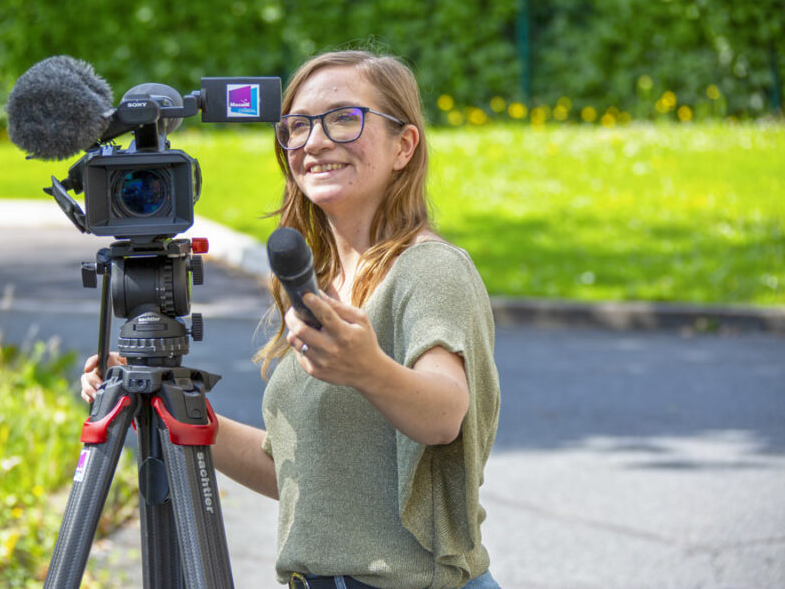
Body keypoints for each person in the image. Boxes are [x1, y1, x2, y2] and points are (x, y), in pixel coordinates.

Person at [81, 50, 501, 589]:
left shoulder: (428, 268)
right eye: (297, 126)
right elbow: (304, 477)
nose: (315, 141)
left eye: (345, 118)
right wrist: (172, 412)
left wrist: (367, 368)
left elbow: (445, 413)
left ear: (404, 145)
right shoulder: (320, 282)